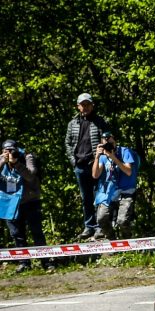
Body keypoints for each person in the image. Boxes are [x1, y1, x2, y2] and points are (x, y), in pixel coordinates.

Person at [0, 140, 55, 273]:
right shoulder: (1, 161)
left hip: (30, 201)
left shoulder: (27, 157)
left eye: (11, 150)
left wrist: (16, 163)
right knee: (16, 234)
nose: (9, 153)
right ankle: (24, 262)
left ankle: (46, 262)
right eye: (6, 151)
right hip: (10, 203)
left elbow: (31, 175)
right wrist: (1, 163)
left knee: (37, 232)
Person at [64, 93, 110, 239]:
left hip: (96, 164)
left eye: (88, 104)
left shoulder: (100, 121)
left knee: (99, 196)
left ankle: (99, 227)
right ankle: (89, 226)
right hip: (80, 165)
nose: (85, 107)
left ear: (92, 105)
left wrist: (101, 158)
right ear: (78, 106)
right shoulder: (72, 123)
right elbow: (68, 143)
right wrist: (73, 160)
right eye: (82, 104)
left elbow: (107, 140)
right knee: (86, 198)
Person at [91, 131, 138, 240]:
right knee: (101, 218)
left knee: (122, 221)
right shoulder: (103, 156)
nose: (108, 145)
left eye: (110, 143)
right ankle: (112, 240)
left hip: (126, 190)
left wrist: (113, 157)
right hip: (110, 192)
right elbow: (95, 175)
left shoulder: (125, 152)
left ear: (115, 141)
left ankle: (127, 242)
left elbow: (128, 171)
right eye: (105, 143)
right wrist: (97, 157)